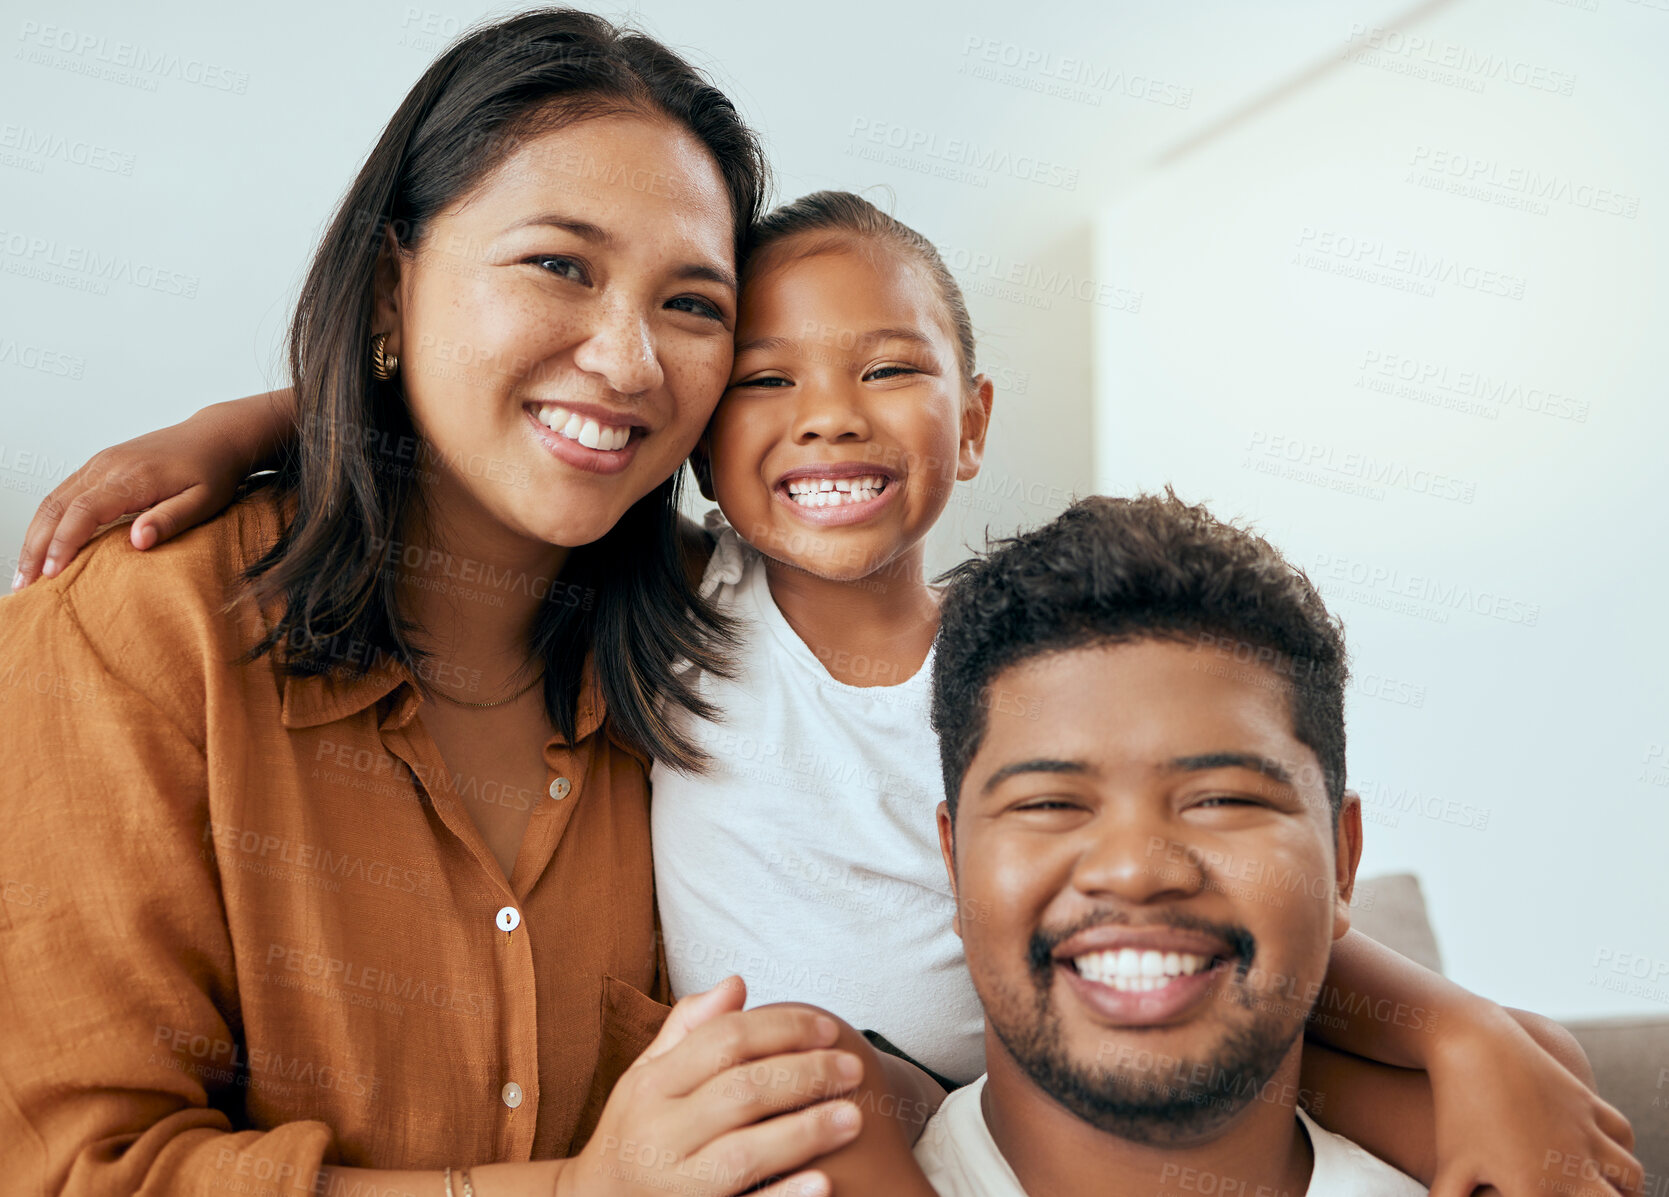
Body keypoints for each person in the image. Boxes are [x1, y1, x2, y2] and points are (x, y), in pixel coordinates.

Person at [11, 181, 1644, 1194]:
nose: (831, 416)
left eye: (888, 371)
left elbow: (1204, 855)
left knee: (1483, 1097)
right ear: (705, 445)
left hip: (1041, 1044)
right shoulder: (670, 594)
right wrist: (247, 427)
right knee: (811, 1067)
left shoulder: (1011, 666)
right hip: (838, 1075)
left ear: (974, 419)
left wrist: (1456, 1029)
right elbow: (472, 430)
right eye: (769, 379)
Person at [0, 11, 927, 1197]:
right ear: (394, 284)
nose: (631, 360)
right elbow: (82, 1173)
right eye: (559, 265)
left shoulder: (744, 642)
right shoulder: (129, 635)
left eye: (692, 305)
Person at [915, 492, 1642, 1196]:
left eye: (1224, 798)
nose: (1135, 869)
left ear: (1342, 862)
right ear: (953, 865)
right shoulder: (843, 1154)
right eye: (1048, 802)